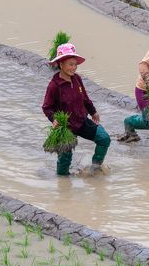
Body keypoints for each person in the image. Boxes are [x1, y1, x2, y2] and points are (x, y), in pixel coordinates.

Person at [41, 43, 110, 176]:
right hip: (65, 127)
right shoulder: (54, 86)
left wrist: (93, 111)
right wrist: (53, 119)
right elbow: (47, 107)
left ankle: (95, 168)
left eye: (75, 64)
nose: (74, 68)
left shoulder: (77, 79)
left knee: (104, 139)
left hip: (82, 120)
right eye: (70, 64)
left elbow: (85, 98)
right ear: (61, 64)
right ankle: (63, 183)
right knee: (64, 160)